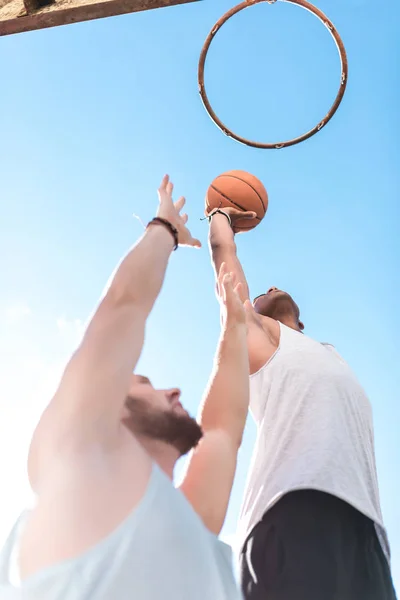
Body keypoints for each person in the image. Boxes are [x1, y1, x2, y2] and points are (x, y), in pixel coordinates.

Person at [0, 176, 252, 600]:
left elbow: (225, 430)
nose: (173, 391)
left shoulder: (192, 521)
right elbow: (122, 308)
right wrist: (165, 228)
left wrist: (236, 326)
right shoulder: (77, 461)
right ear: (107, 407)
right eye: (147, 384)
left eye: (149, 384)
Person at [208, 206, 397, 600]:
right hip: (291, 510)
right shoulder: (260, 338)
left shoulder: (328, 353)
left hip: (366, 533)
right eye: (260, 293)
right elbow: (224, 259)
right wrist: (220, 214)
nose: (270, 286)